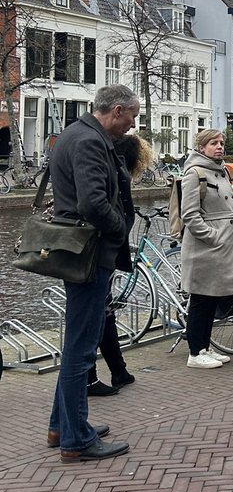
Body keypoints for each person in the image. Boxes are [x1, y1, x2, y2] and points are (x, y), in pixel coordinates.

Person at [46, 84, 138, 462]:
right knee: (81, 349)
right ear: (117, 111)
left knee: (77, 342)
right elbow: (93, 203)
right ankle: (76, 440)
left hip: (80, 252)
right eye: (132, 117)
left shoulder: (75, 133)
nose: (132, 125)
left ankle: (61, 426)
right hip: (89, 253)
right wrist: (119, 229)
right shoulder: (89, 141)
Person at [87, 132, 153, 396]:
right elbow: (105, 207)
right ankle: (90, 377)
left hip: (98, 250)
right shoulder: (117, 171)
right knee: (97, 315)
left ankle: (118, 370)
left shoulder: (106, 163)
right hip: (99, 251)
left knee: (105, 312)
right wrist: (118, 229)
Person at [180, 128, 233, 370]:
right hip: (206, 248)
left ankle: (204, 346)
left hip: (223, 245)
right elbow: (189, 214)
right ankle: (195, 352)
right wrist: (212, 236)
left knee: (213, 297)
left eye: (221, 143)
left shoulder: (221, 171)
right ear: (202, 147)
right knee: (201, 298)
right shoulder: (195, 173)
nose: (219, 147)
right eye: (213, 143)